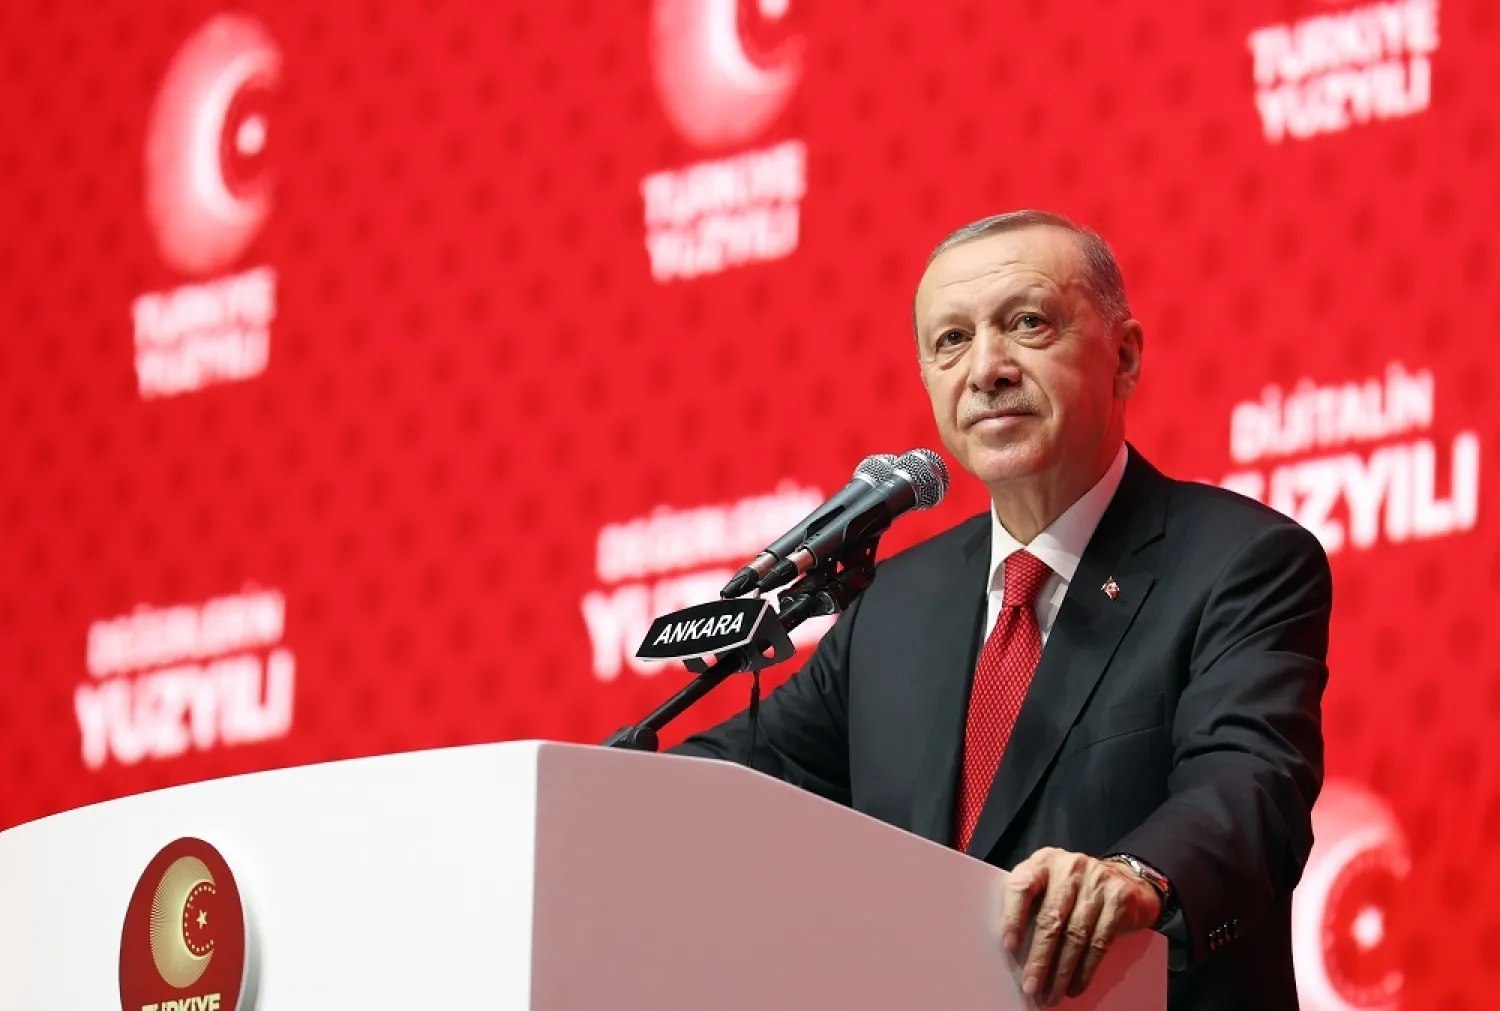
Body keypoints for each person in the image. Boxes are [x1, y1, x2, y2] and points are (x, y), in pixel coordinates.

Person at [672, 210, 1332, 1009]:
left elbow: (1249, 785)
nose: (986, 368)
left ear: (1124, 356)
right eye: (951, 340)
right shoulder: (893, 604)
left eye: (1027, 323)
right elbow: (736, 775)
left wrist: (1133, 877)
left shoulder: (1240, 560)